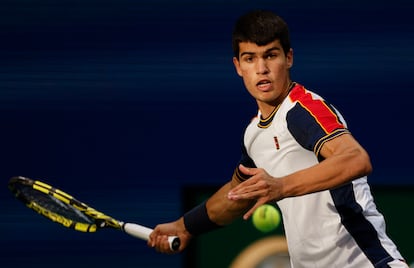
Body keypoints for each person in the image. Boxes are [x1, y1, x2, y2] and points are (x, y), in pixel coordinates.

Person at [148, 10, 407, 267]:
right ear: (238, 66)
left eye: (270, 55)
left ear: (289, 58)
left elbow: (355, 159)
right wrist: (184, 227)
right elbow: (237, 195)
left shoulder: (303, 110)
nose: (262, 69)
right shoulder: (253, 134)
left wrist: (281, 186)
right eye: (250, 58)